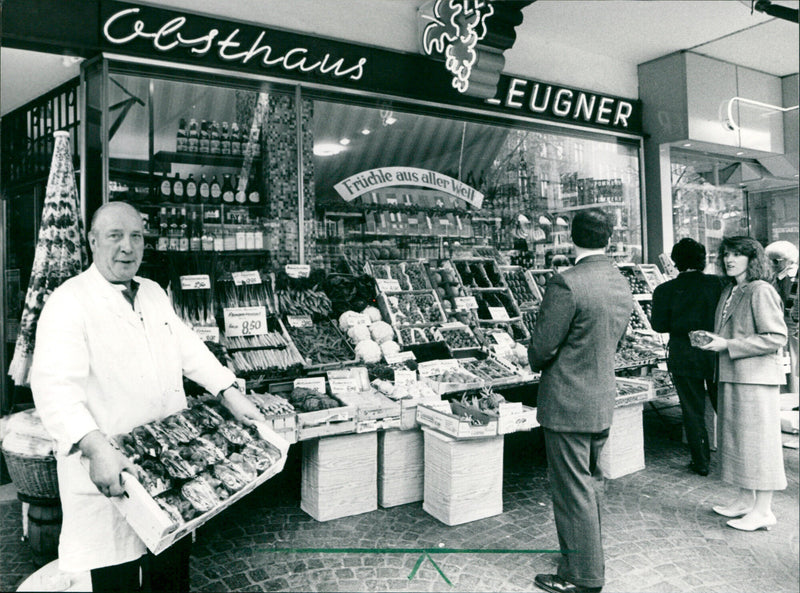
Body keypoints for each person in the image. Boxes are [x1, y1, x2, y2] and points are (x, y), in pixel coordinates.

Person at [30, 201, 264, 591]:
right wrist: (94, 446)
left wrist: (227, 390)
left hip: (170, 463)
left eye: (136, 236)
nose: (128, 247)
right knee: (116, 576)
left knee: (170, 571)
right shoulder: (69, 301)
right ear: (92, 241)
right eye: (115, 236)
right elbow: (55, 387)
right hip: (111, 467)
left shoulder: (153, 292)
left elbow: (188, 347)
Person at [528, 208, 633, 593]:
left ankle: (582, 576)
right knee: (590, 484)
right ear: (609, 237)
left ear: (572, 236)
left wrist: (540, 358)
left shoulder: (566, 283)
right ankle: (582, 558)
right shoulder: (618, 280)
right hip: (600, 396)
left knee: (572, 491)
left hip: (567, 401)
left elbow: (541, 348)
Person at [696, 236, 787, 532]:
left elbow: (775, 337)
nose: (729, 259)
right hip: (734, 374)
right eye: (726, 254)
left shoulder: (760, 290)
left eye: (737, 254)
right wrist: (713, 340)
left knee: (760, 445)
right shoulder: (732, 289)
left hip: (755, 380)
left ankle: (764, 511)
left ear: (753, 259)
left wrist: (727, 344)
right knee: (740, 442)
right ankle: (746, 500)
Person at [650, 238, 723, 476]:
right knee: (725, 407)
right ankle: (736, 460)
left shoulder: (664, 290)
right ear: (703, 260)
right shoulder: (719, 284)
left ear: (676, 262)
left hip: (683, 354)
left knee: (692, 411)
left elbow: (658, 326)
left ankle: (701, 463)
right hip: (716, 352)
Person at [764, 240, 798, 393]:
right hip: (780, 327)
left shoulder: (792, 277)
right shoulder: (776, 277)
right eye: (769, 261)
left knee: (793, 362)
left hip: (792, 328)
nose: (772, 264)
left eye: (776, 261)